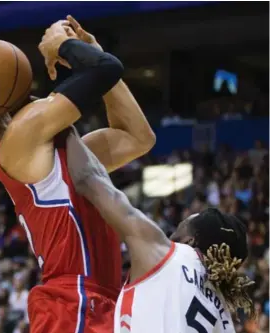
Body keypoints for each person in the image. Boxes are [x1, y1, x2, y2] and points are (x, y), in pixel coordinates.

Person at [0, 16, 155, 333]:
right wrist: (64, 45)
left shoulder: (44, 149)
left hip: (90, 302)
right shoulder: (14, 144)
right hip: (73, 304)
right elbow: (103, 70)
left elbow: (137, 137)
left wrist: (93, 51)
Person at [66, 130, 256, 333]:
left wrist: (64, 124)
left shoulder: (165, 253)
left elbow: (87, 178)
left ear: (191, 240)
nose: (181, 221)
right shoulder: (225, 318)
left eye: (187, 221)